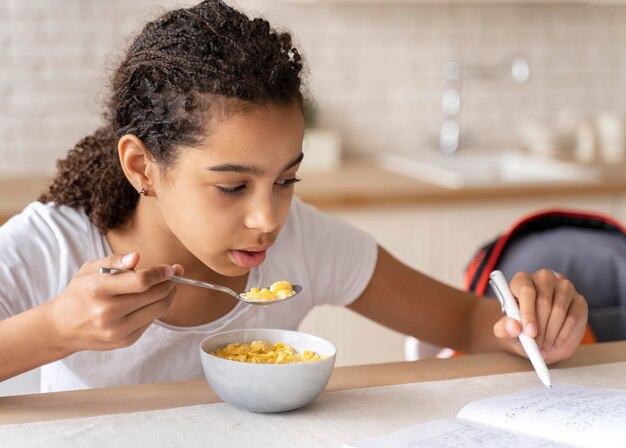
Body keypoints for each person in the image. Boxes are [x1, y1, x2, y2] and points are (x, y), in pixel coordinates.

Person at [0, 0, 587, 393]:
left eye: (287, 179)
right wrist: (55, 329)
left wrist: (540, 321)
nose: (268, 218)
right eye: (232, 186)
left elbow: (464, 320)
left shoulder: (304, 240)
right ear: (142, 166)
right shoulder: (51, 244)